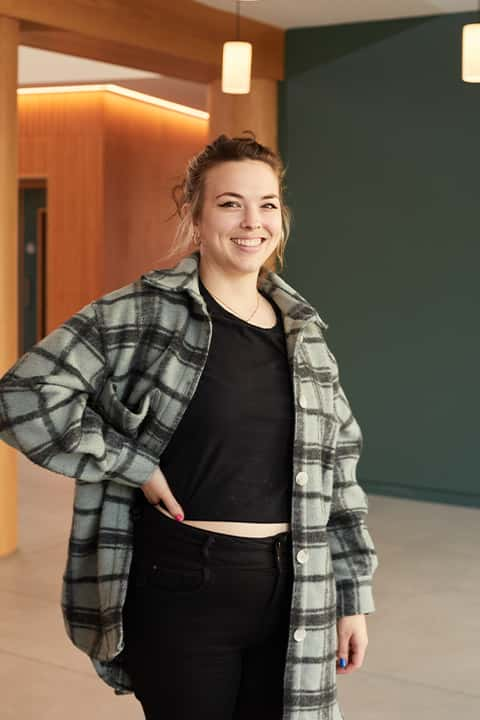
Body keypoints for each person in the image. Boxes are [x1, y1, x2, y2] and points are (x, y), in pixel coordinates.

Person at [0, 132, 379, 720]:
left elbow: (340, 474)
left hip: (297, 587)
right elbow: (24, 395)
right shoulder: (142, 314)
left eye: (268, 204)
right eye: (230, 203)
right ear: (196, 216)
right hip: (183, 584)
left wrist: (351, 597)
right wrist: (132, 463)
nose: (252, 221)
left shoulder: (304, 333)